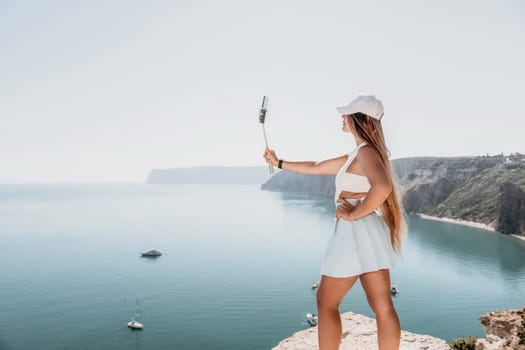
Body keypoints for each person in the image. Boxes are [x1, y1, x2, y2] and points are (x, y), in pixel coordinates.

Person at [263, 95, 407, 350]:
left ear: (359, 120)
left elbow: (382, 187)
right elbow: (316, 166)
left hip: (353, 232)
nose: (342, 117)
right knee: (383, 305)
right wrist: (279, 162)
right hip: (369, 231)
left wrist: (354, 213)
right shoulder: (362, 152)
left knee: (326, 301)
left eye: (346, 114)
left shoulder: (365, 152)